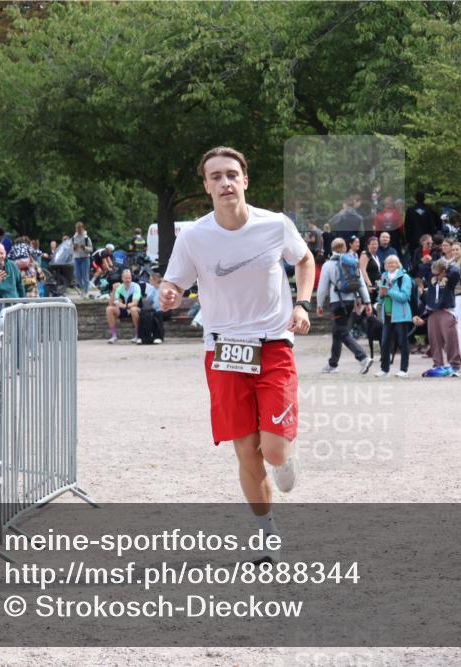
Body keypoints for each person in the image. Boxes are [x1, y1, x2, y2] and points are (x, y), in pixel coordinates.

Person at [159, 146, 314, 565]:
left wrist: (301, 303)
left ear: (245, 180)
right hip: (224, 351)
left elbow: (304, 259)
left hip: (273, 345)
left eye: (232, 174)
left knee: (275, 451)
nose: (225, 182)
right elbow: (173, 282)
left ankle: (283, 456)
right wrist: (169, 293)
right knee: (246, 451)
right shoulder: (193, 235)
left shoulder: (274, 225)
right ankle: (266, 534)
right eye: (216, 177)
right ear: (206, 186)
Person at [317, 237, 374, 374]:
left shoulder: (328, 265)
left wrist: (319, 304)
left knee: (342, 332)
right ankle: (333, 364)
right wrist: (367, 302)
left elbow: (322, 287)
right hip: (351, 302)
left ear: (332, 249)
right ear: (343, 248)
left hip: (337, 302)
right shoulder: (353, 262)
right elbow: (361, 284)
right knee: (337, 332)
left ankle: (363, 358)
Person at [412, 258, 461, 377]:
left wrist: (446, 268)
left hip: (446, 311)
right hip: (433, 312)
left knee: (450, 339)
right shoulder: (432, 278)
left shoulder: (450, 279)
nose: (435, 276)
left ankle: (454, 365)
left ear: (444, 271)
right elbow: (419, 268)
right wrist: (432, 263)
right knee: (434, 340)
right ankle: (438, 364)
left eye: (438, 274)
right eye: (433, 273)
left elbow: (455, 271)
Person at [374, 255, 413, 378]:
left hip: (401, 315)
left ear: (398, 264)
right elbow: (381, 296)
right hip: (387, 314)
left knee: (403, 342)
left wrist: (389, 291)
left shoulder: (404, 277)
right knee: (385, 342)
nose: (390, 265)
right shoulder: (384, 277)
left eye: (393, 263)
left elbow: (405, 296)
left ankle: (404, 369)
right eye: (388, 263)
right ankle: (384, 369)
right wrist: (380, 296)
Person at [106, 269, 142, 344]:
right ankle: (114, 336)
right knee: (109, 309)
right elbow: (112, 303)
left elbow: (135, 303)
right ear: (122, 278)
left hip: (135, 309)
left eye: (129, 278)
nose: (128, 280)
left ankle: (138, 335)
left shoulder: (136, 286)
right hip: (123, 309)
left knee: (133, 309)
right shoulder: (119, 287)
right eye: (126, 278)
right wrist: (114, 290)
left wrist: (123, 305)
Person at [359, 236, 382, 304]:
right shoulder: (365, 255)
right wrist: (369, 284)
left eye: (376, 244)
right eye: (372, 244)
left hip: (377, 285)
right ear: (368, 245)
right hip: (369, 285)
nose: (374, 246)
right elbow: (362, 270)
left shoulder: (376, 256)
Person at [72, 221, 93, 297]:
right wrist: (74, 248)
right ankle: (82, 288)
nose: (78, 230)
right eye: (77, 229)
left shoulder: (86, 238)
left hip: (85, 257)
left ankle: (85, 291)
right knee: (77, 275)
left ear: (82, 228)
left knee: (85, 276)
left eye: (79, 229)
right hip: (77, 257)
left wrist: (85, 248)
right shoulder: (74, 238)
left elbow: (91, 249)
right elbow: (71, 249)